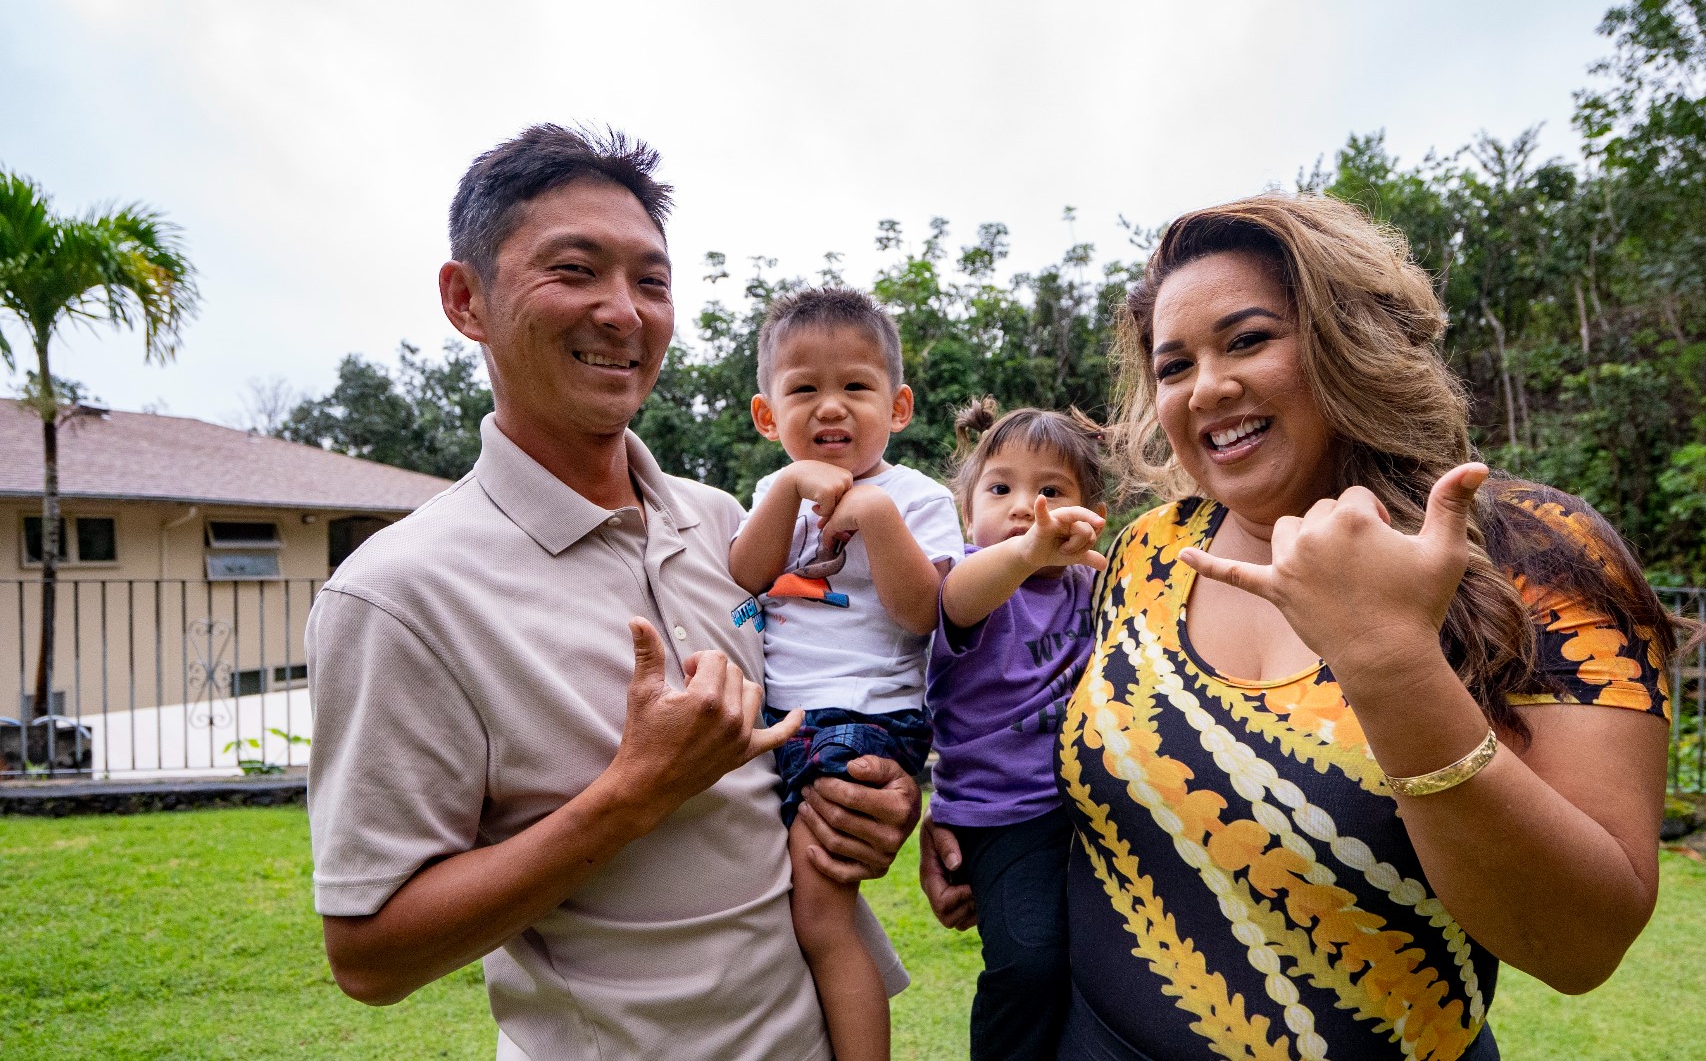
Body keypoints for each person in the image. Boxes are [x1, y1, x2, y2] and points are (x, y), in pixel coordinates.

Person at [305, 125, 922, 1061]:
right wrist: (636, 792)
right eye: (575, 270)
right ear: (465, 299)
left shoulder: (726, 527)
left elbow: (827, 713)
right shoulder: (398, 596)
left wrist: (876, 795)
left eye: (652, 281)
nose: (623, 312)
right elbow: (370, 958)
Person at [1048, 194, 1684, 1059]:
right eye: (1173, 366)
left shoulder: (1535, 556)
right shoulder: (1148, 554)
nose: (1208, 388)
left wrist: (1389, 662)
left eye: (1248, 339)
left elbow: (1581, 946)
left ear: (1350, 339)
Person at [729, 287, 966, 1061]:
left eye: (855, 387)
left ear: (897, 408)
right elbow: (746, 571)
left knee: (822, 915)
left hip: (865, 717)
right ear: (768, 417)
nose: (831, 408)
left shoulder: (918, 500)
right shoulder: (775, 492)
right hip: (786, 722)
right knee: (783, 902)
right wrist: (790, 492)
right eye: (804, 390)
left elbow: (923, 614)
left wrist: (878, 518)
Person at [918, 399, 1108, 1061]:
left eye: (1052, 491)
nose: (1027, 507)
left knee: (1099, 968)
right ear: (968, 513)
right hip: (1002, 818)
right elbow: (959, 602)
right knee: (1029, 965)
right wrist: (1030, 551)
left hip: (1088, 812)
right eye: (1001, 489)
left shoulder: (1087, 586)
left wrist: (1098, 557)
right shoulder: (970, 577)